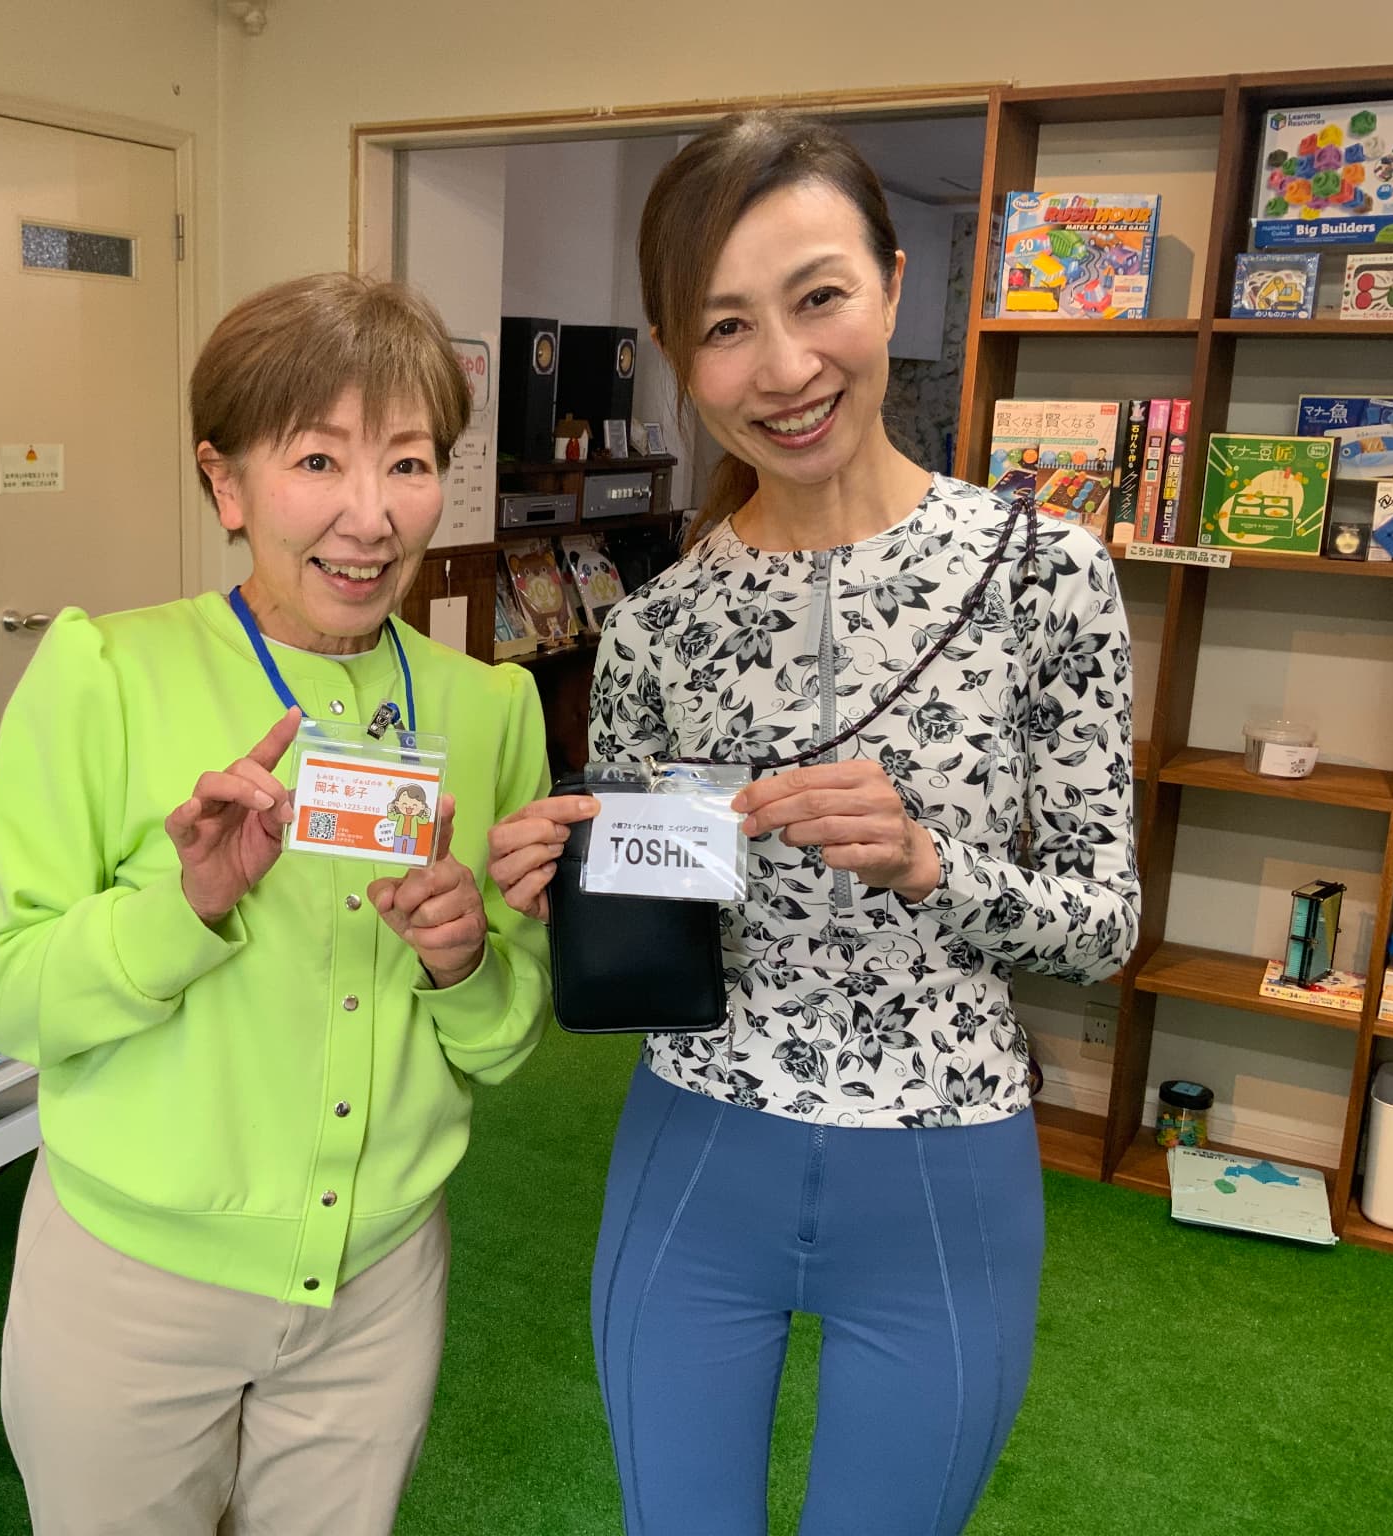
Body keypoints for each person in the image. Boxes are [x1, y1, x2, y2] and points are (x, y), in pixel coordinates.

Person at [488, 112, 1139, 1536]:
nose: (782, 370)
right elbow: (650, 941)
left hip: (944, 1162)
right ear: (678, 354)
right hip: (694, 1145)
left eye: (818, 297)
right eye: (725, 326)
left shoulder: (1046, 576)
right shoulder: (655, 627)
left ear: (893, 288)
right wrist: (566, 889)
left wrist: (930, 862)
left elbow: (1104, 925)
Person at [0, 273, 554, 1536]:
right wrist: (185, 907)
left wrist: (462, 964)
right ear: (225, 484)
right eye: (317, 460)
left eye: (407, 463)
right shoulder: (106, 673)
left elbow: (504, 1040)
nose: (368, 516)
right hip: (131, 1283)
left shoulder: (487, 709)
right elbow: (7, 994)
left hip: (378, 1286)